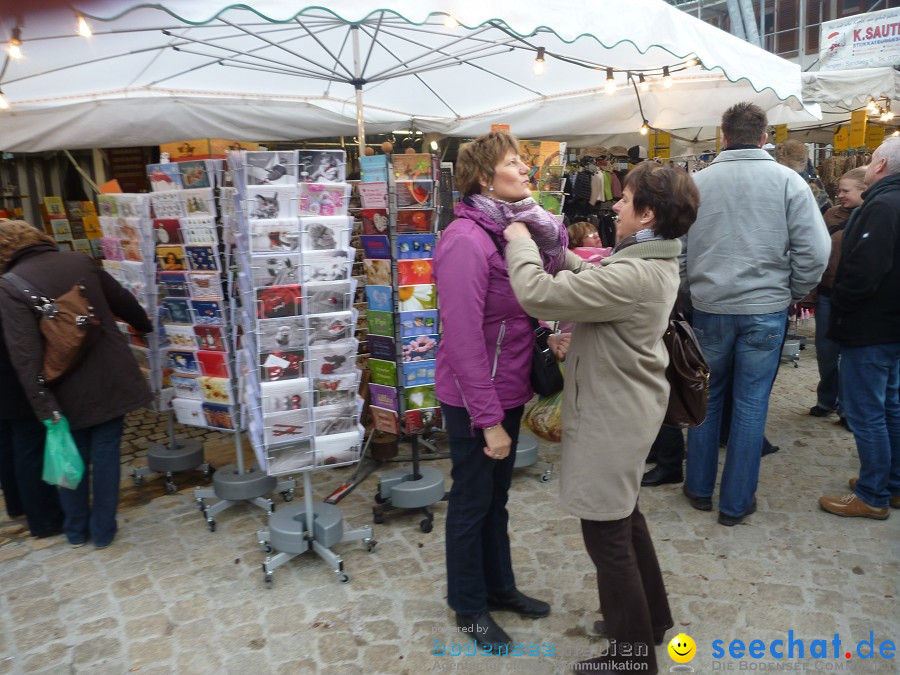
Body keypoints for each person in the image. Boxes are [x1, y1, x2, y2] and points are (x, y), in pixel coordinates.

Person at [504, 161, 700, 674]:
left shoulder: (637, 271)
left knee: (606, 532)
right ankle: (649, 623)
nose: (615, 203)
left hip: (613, 415)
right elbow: (599, 278)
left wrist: (520, 236)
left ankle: (631, 657)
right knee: (624, 517)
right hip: (625, 407)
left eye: (626, 197)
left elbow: (536, 294)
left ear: (649, 213)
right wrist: (558, 248)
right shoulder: (645, 260)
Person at [433, 130, 565, 652]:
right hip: (472, 396)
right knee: (471, 501)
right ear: (486, 178)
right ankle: (468, 606)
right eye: (515, 163)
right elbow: (463, 339)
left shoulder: (515, 227)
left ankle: (499, 586)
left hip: (507, 386)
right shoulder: (465, 239)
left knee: (497, 498)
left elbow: (541, 283)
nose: (526, 169)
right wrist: (486, 419)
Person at [680, 102, 830, 527]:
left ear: (722, 137)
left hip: (711, 308)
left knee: (705, 400)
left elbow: (679, 251)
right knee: (750, 405)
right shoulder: (789, 182)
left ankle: (698, 489)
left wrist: (694, 289)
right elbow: (815, 252)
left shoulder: (696, 183)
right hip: (764, 309)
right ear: (764, 138)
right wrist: (791, 291)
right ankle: (735, 503)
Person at [0, 221, 153, 549]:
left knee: (71, 452)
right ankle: (103, 530)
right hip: (109, 373)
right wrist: (144, 326)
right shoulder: (79, 261)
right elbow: (123, 300)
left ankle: (75, 530)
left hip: (63, 384)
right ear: (37, 237)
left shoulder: (9, 286)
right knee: (107, 450)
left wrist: (43, 406)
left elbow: (24, 355)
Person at [819, 138, 900, 519]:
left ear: (880, 163)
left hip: (870, 327)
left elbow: (864, 272)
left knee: (868, 412)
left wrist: (841, 309)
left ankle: (873, 494)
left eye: (871, 160)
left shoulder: (883, 205)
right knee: (889, 407)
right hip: (889, 324)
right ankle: (891, 483)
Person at [808, 167, 867, 423]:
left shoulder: (874, 216)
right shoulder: (831, 214)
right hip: (827, 294)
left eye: (845, 191)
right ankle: (827, 398)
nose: (840, 195)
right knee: (826, 349)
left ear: (864, 190)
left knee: (851, 354)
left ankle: (847, 406)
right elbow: (817, 251)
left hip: (857, 298)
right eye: (840, 190)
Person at [0, 319, 63, 537]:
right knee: (28, 448)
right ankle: (45, 520)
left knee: (8, 442)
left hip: (7, 384)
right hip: (14, 381)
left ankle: (17, 504)